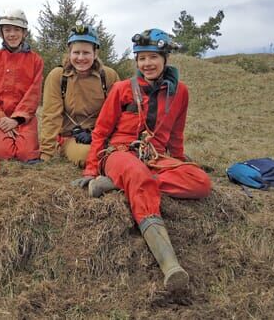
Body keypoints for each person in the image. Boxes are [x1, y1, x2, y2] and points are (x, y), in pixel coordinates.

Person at [77, 28, 212, 291]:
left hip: (155, 158)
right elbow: (101, 132)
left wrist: (180, 163)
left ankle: (118, 183)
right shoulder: (122, 89)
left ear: (165, 58)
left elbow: (176, 135)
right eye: (141, 58)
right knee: (137, 174)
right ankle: (170, 265)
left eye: (152, 57)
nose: (147, 64)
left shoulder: (180, 92)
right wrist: (91, 170)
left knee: (201, 182)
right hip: (119, 153)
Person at [40, 21, 119, 167]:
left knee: (120, 152)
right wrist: (46, 153)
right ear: (69, 53)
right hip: (72, 137)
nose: (81, 58)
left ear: (95, 53)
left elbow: (118, 112)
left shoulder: (108, 76)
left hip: (103, 135)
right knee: (90, 155)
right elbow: (51, 115)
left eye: (86, 52)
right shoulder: (58, 76)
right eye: (76, 52)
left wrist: (99, 134)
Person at [0, 8, 44, 163]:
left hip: (24, 118)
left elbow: (34, 93)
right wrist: (0, 119)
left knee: (26, 154)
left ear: (24, 33)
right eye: (7, 30)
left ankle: (22, 140)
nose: (12, 34)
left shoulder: (36, 60)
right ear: (1, 33)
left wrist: (16, 120)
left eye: (17, 30)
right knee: (4, 153)